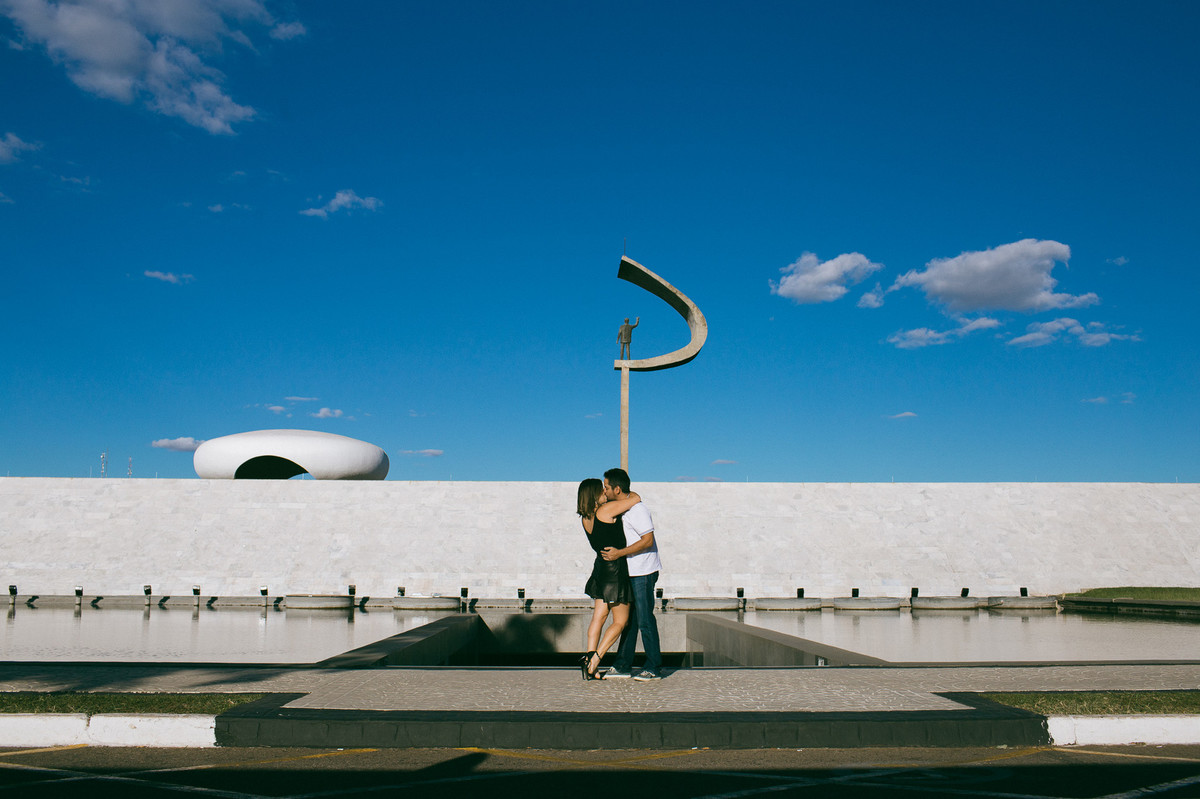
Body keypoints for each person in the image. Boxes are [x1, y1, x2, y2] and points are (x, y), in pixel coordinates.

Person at [599, 467, 662, 681]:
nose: (604, 490)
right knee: (630, 621)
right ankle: (623, 665)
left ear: (617, 489)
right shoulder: (625, 507)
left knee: (645, 620)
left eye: (606, 487)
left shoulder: (638, 510)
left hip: (644, 572)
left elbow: (648, 541)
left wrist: (619, 553)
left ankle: (653, 667)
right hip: (631, 572)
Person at [575, 478, 641, 680]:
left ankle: (589, 659)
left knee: (599, 617)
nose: (605, 491)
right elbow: (635, 498)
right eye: (601, 489)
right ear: (594, 494)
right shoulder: (605, 511)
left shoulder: (586, 518)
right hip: (615, 571)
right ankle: (596, 659)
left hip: (600, 570)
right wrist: (624, 493)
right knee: (621, 621)